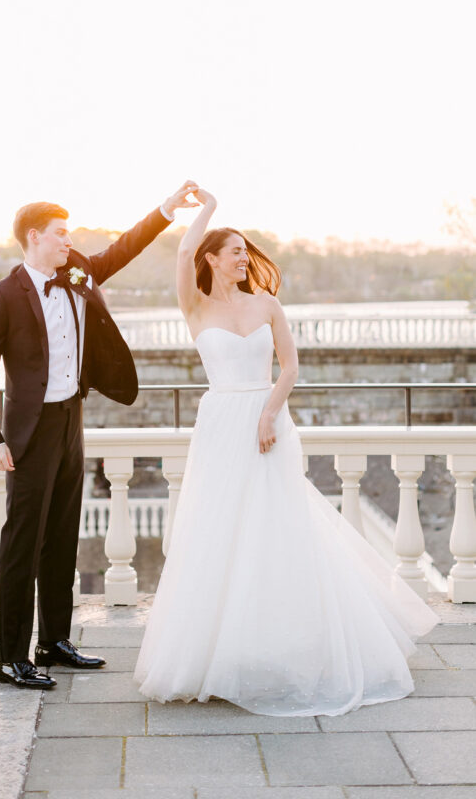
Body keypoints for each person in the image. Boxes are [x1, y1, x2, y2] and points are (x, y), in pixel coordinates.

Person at [134, 188, 439, 716]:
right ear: (213, 258)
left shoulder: (267, 303)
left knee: (276, 527)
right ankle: (222, 651)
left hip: (266, 420)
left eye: (245, 252)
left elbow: (291, 367)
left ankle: (289, 642)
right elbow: (181, 254)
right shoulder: (196, 305)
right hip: (221, 424)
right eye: (233, 250)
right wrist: (204, 208)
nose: (242, 258)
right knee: (221, 529)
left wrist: (269, 413)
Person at [0, 182, 198, 690]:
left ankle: (53, 642)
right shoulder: (4, 296)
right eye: (59, 233)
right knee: (21, 545)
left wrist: (165, 211)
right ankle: (11, 659)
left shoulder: (78, 273)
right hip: (29, 432)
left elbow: (124, 247)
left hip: (71, 419)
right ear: (34, 238)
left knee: (62, 538)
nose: (67, 241)